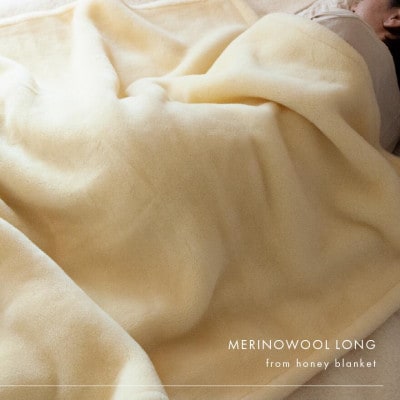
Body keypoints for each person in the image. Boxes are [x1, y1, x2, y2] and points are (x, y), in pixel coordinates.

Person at [298, 0, 400, 153]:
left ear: (396, 18)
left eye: (361, 2)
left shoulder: (348, 25)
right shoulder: (394, 121)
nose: (353, 6)